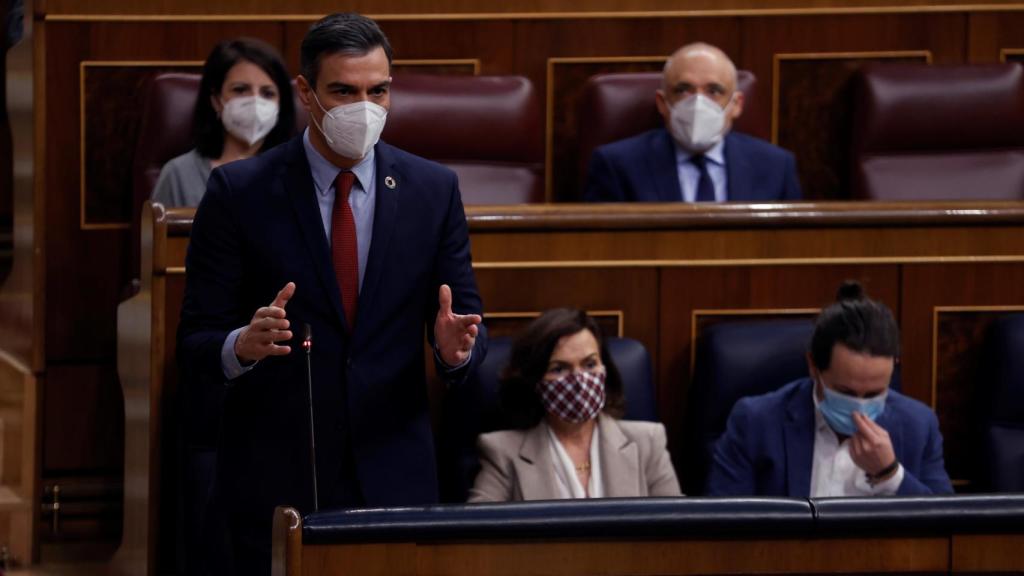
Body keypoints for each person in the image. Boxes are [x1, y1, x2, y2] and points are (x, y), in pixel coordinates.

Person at [177, 13, 487, 575]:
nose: (362, 106)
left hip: (395, 478)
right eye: (343, 90)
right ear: (306, 92)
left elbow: (466, 325)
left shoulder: (433, 191)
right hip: (276, 479)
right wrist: (241, 346)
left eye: (378, 90)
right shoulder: (238, 192)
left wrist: (453, 350)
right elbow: (195, 341)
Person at [706, 281, 953, 497]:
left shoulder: (918, 425)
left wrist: (890, 474)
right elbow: (723, 526)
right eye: (845, 392)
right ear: (814, 366)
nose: (860, 406)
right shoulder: (756, 422)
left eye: (874, 394)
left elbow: (946, 527)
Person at [469, 309, 680, 502]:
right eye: (559, 368)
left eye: (589, 364)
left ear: (605, 368)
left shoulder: (647, 443)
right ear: (533, 380)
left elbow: (678, 530)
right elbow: (478, 534)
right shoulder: (502, 452)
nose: (579, 380)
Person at [584, 42, 801, 203]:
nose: (698, 102)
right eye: (683, 90)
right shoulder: (617, 166)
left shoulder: (776, 167)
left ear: (736, 105)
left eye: (714, 91)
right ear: (662, 103)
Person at [151, 37, 295, 207]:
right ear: (216, 100)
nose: (255, 102)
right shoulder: (179, 175)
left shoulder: (299, 173)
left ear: (280, 104)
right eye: (240, 90)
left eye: (267, 93)